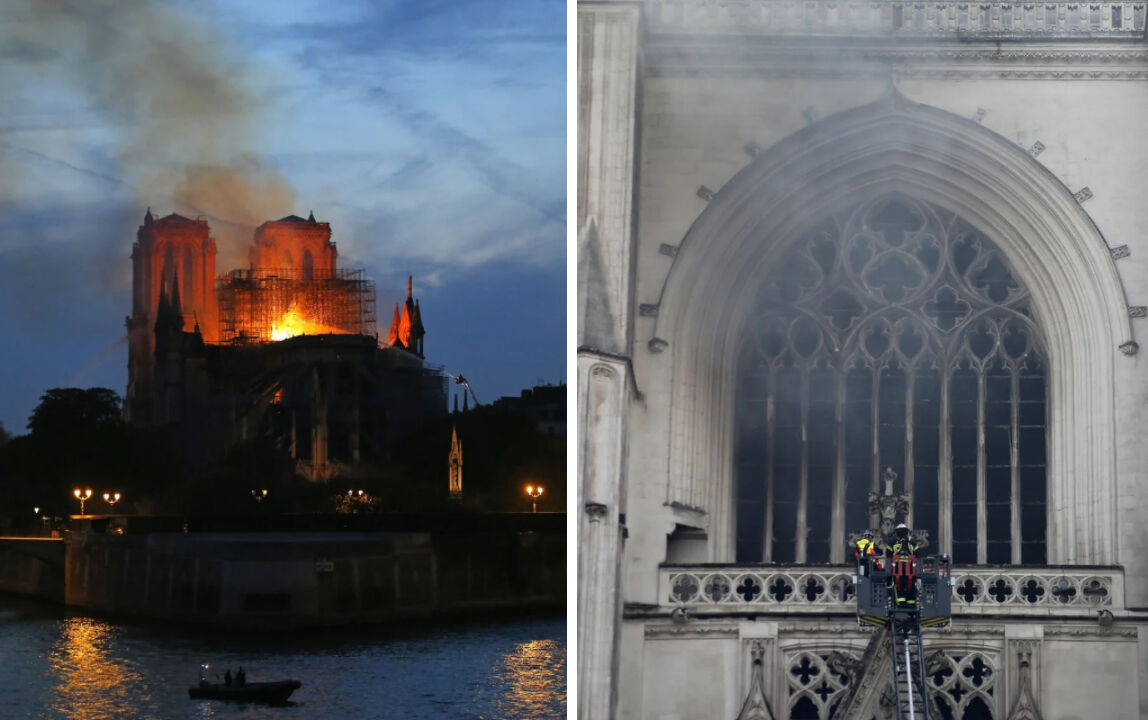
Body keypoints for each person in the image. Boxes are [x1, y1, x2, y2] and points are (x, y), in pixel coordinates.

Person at [886, 523, 921, 608]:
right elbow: (918, 555)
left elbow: (888, 555)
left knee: (898, 585)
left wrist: (888, 573)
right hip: (911, 568)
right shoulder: (913, 542)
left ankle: (900, 603)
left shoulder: (892, 542)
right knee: (911, 585)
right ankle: (911, 603)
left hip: (897, 568)